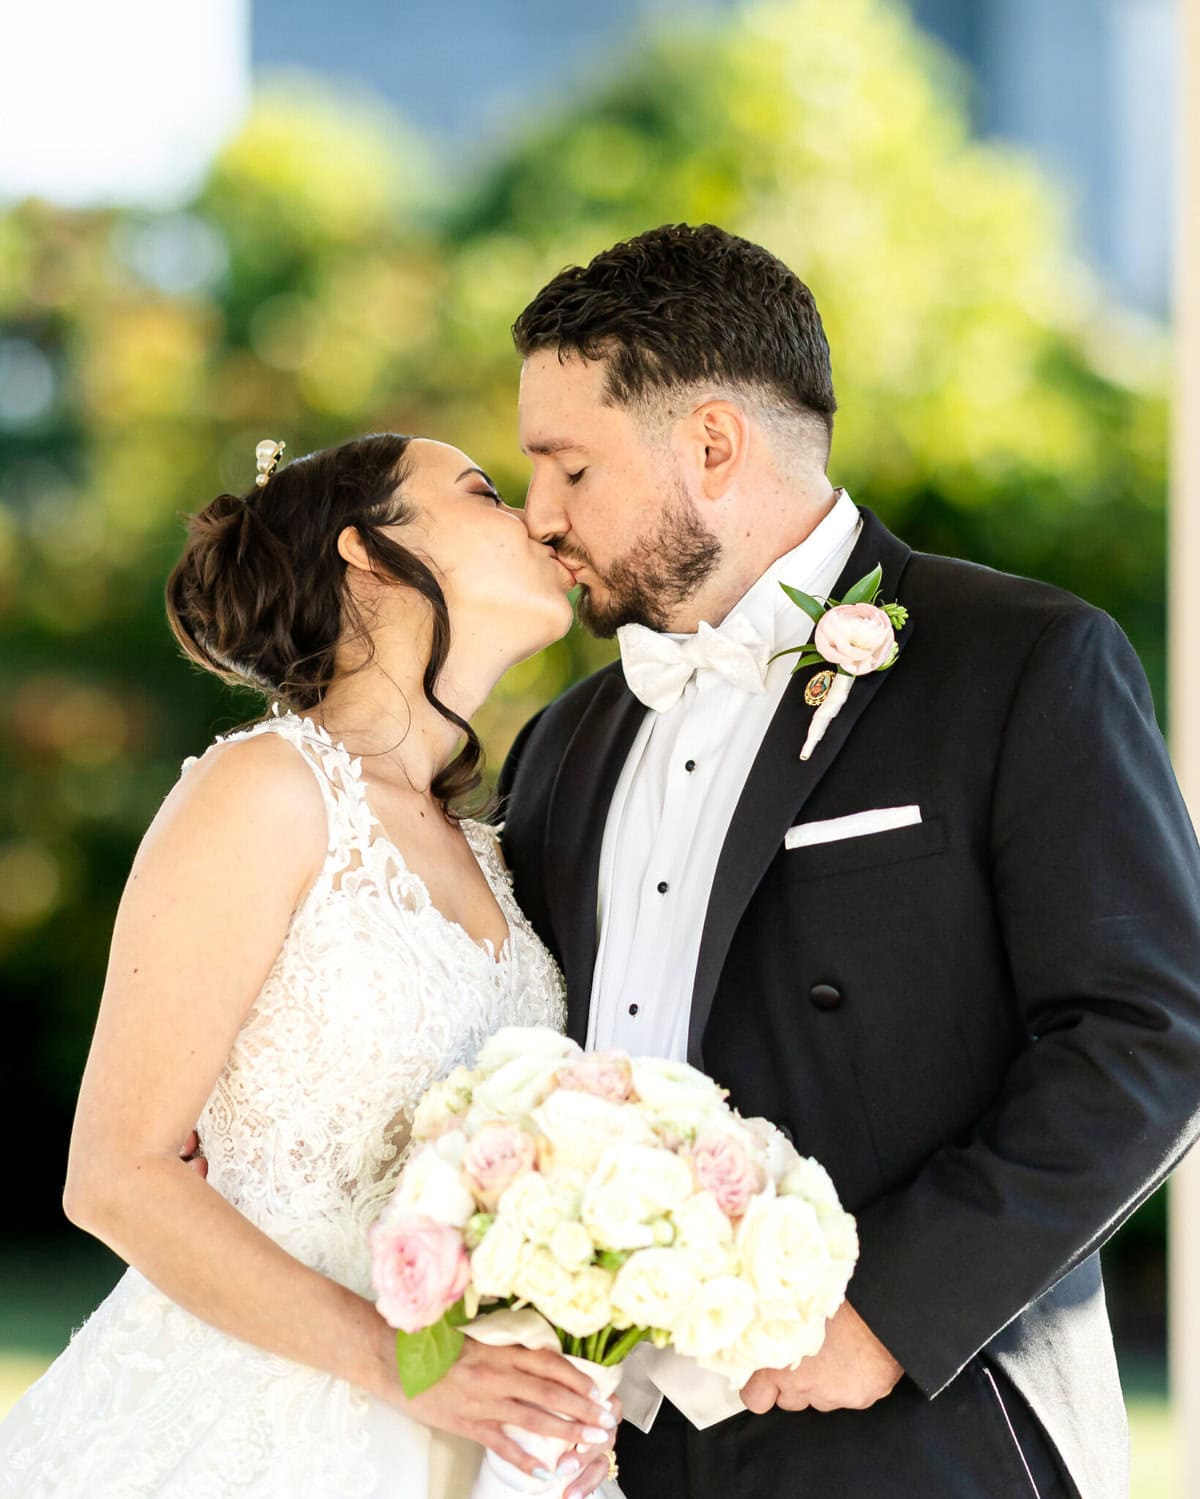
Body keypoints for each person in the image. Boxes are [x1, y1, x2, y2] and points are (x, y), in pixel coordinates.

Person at [497, 223, 1200, 1499]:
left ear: (713, 444)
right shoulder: (560, 745)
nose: (540, 514)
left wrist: (888, 1309)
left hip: (917, 1422)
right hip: (603, 1455)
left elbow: (1147, 1033)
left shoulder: (1021, 662)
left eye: (569, 466)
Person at [0, 434, 618, 1499]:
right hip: (273, 1409)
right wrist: (406, 1366)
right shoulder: (264, 790)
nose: (539, 516)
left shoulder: (490, 852)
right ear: (368, 552)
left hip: (480, 1431)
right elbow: (116, 1172)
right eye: (481, 489)